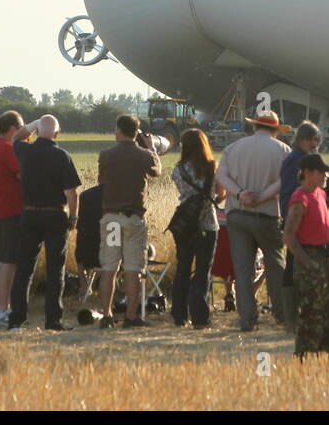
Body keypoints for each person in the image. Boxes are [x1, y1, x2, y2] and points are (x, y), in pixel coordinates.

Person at [215, 111, 291, 331]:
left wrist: (240, 194)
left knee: (242, 268)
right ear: (276, 130)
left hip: (237, 215)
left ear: (255, 127)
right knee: (276, 266)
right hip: (268, 215)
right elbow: (284, 181)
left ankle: (248, 318)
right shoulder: (283, 151)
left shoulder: (233, 148)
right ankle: (281, 314)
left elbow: (222, 176)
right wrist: (263, 197)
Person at [8, 114, 81, 331]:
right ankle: (53, 320)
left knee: (24, 269)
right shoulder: (62, 156)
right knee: (55, 268)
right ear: (57, 134)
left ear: (38, 132)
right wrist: (74, 216)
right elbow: (71, 192)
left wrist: (33, 124)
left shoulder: (25, 151)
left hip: (29, 215)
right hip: (55, 215)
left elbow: (17, 137)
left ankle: (17, 318)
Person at [98, 114, 162, 328]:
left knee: (110, 267)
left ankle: (106, 315)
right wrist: (151, 148)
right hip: (133, 218)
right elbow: (157, 172)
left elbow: (101, 181)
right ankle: (131, 316)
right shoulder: (144, 156)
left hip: (112, 218)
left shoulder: (106, 155)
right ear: (137, 132)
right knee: (133, 269)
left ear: (119, 130)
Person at [282, 152, 329, 356]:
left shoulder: (321, 193)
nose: (325, 176)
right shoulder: (300, 198)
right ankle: (306, 358)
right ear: (307, 173)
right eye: (321, 172)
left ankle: (327, 355)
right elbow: (289, 235)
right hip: (310, 256)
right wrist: (307, 262)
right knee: (312, 314)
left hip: (326, 256)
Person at [0, 111, 38, 326]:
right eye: (23, 129)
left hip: (0, 210)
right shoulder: (7, 148)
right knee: (9, 262)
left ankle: (1, 307)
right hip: (11, 210)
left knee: (4, 261)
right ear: (14, 129)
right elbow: (24, 172)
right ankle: (2, 309)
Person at [170, 129, 219, 328]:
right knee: (202, 271)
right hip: (207, 225)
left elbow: (183, 192)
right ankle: (200, 317)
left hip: (185, 225)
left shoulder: (178, 170)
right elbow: (220, 195)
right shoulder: (211, 168)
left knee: (182, 268)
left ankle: (179, 315)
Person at [279, 122, 322, 334]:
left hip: (306, 220)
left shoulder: (304, 159)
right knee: (292, 266)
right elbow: (286, 193)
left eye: (316, 141)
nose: (314, 144)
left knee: (295, 266)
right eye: (311, 140)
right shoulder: (293, 160)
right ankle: (290, 317)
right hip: (295, 219)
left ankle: (298, 315)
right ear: (302, 139)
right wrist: (290, 221)